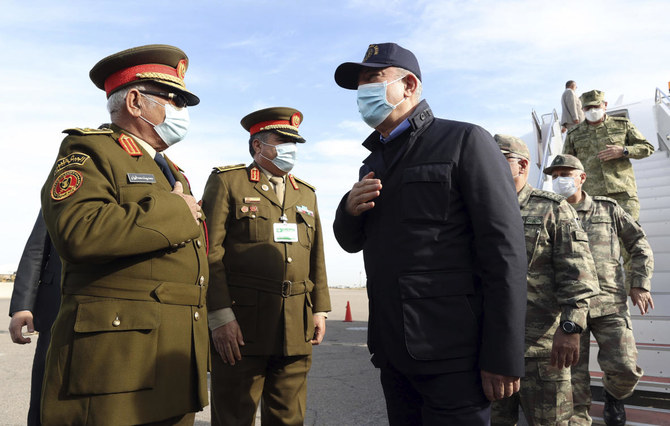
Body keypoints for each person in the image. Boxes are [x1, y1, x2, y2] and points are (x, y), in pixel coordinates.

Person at [332, 42, 528, 425]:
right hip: (393, 352)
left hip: (454, 354)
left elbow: (504, 253)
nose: (363, 94)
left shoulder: (465, 141)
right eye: (359, 87)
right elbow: (351, 241)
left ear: (409, 85)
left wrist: (503, 356)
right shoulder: (373, 162)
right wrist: (348, 208)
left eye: (373, 79)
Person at [39, 44, 208, 426]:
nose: (181, 111)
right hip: (118, 362)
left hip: (173, 360)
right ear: (135, 100)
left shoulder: (173, 170)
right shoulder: (89, 149)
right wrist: (174, 211)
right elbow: (78, 231)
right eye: (174, 99)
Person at [202, 107, 331, 426]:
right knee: (234, 416)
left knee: (289, 418)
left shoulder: (307, 193)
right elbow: (208, 252)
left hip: (295, 325)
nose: (292, 150)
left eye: (295, 143)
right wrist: (219, 317)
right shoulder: (229, 182)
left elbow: (317, 255)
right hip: (241, 325)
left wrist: (320, 310)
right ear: (258, 146)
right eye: (282, 141)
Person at [490, 135, 600, 426]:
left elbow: (578, 271)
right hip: (492, 350)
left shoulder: (550, 207)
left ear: (522, 165)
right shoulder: (477, 207)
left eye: (497, 159)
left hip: (543, 350)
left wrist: (571, 327)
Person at [544, 154, 654, 426]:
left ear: (582, 177)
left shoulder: (608, 209)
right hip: (567, 310)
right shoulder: (547, 211)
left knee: (625, 369)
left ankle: (614, 396)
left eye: (565, 174)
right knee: (571, 380)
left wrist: (638, 283)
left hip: (610, 304)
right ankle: (579, 419)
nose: (559, 180)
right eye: (555, 176)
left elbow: (639, 244)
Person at [562, 89, 654, 221]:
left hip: (623, 194)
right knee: (599, 240)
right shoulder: (574, 134)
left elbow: (647, 148)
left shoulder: (623, 125)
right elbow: (567, 163)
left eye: (596, 106)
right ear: (582, 109)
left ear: (605, 105)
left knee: (630, 237)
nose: (592, 110)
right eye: (588, 107)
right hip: (592, 197)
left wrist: (623, 151)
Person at [8, 211, 61, 426]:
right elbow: (36, 250)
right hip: (58, 307)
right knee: (45, 394)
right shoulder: (65, 181)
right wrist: (22, 306)